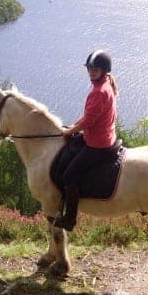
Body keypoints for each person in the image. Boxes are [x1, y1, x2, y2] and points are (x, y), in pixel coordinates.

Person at [53, 50, 119, 231]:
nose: (91, 71)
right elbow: (88, 117)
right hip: (102, 135)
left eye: (95, 68)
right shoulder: (105, 85)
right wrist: (72, 126)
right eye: (89, 68)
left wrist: (68, 132)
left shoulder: (99, 92)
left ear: (104, 70)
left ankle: (70, 219)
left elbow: (88, 121)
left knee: (68, 176)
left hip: (98, 143)